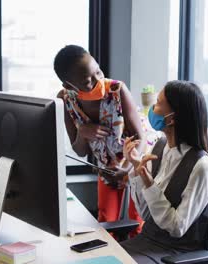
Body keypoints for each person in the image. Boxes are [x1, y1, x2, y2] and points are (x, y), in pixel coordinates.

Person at [120, 80, 208, 263]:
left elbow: (176, 227)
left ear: (171, 118)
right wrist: (135, 167)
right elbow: (145, 214)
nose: (152, 108)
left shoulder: (201, 166)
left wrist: (149, 183)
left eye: (157, 103)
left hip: (172, 253)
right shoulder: (160, 146)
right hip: (145, 241)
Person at [54, 45, 146, 232]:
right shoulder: (65, 100)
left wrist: (127, 168)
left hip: (137, 163)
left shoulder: (117, 90)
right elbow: (80, 151)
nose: (99, 81)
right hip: (107, 169)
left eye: (98, 71)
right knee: (106, 224)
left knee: (137, 223)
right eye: (88, 81)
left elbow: (141, 138)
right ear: (68, 85)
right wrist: (82, 133)